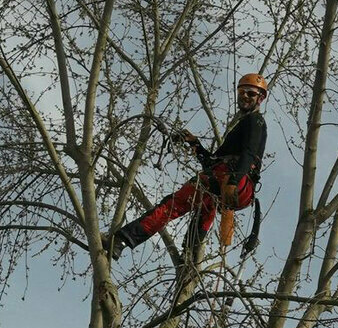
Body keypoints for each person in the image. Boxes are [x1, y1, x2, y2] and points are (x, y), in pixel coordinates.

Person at [104, 73, 268, 260]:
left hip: (232, 180)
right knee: (204, 210)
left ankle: (120, 241)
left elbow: (249, 152)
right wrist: (194, 144)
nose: (245, 96)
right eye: (242, 92)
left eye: (251, 94)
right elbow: (211, 162)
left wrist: (234, 179)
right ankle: (189, 256)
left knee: (173, 204)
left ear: (260, 98)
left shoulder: (255, 121)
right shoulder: (243, 125)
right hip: (224, 182)